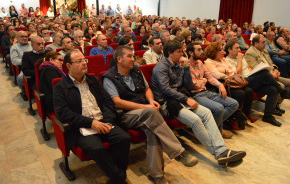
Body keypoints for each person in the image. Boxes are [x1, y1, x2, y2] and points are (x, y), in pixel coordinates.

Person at [103, 46, 199, 183]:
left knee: (153, 131)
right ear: (119, 59)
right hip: (125, 115)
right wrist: (146, 106)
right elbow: (117, 102)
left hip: (146, 112)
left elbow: (147, 89)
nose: (133, 59)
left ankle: (157, 175)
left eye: (133, 56)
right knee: (151, 112)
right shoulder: (109, 77)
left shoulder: (136, 70)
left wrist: (151, 100)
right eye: (129, 56)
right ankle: (179, 152)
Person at [151, 40, 246, 170]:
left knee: (206, 113)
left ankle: (222, 150)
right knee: (196, 120)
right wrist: (186, 98)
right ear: (170, 53)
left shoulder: (178, 66)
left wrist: (185, 69)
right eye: (179, 52)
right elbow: (165, 90)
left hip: (180, 98)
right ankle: (220, 153)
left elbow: (188, 86)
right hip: (167, 103)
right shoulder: (161, 67)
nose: (182, 55)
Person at [53, 49, 130, 184]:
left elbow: (107, 101)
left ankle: (116, 174)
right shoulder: (61, 87)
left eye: (84, 60)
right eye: (79, 61)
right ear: (69, 66)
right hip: (81, 128)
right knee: (97, 148)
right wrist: (91, 123)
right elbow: (64, 114)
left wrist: (106, 121)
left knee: (124, 138)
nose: (84, 63)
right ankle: (119, 178)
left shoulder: (92, 79)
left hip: (103, 121)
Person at [225, 41, 290, 126]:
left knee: (272, 89)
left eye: (239, 47)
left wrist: (255, 73)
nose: (239, 50)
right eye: (236, 48)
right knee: (265, 74)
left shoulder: (241, 57)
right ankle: (284, 92)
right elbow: (237, 74)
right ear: (229, 50)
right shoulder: (228, 60)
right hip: (242, 82)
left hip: (251, 79)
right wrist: (240, 60)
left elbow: (249, 67)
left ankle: (268, 116)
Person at [186, 42, 239, 136]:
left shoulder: (200, 63)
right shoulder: (186, 66)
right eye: (198, 50)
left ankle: (208, 127)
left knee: (233, 104)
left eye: (201, 49)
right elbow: (195, 85)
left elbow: (209, 77)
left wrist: (220, 85)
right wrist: (205, 80)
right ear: (190, 53)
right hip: (195, 95)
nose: (202, 51)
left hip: (206, 91)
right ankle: (217, 131)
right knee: (219, 108)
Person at [245, 35, 290, 115]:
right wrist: (272, 74)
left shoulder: (264, 51)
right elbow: (256, 68)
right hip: (263, 78)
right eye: (263, 42)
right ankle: (272, 108)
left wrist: (275, 69)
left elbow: (271, 63)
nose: (265, 44)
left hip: (271, 74)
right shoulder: (250, 53)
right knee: (281, 86)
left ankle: (276, 104)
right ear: (256, 43)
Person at [204, 42, 255, 123]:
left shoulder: (223, 60)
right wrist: (226, 72)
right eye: (220, 50)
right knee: (240, 93)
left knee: (249, 91)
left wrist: (224, 72)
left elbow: (234, 71)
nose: (223, 52)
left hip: (231, 81)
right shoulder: (208, 61)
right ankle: (233, 119)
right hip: (222, 84)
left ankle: (246, 113)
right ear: (214, 52)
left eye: (222, 50)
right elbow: (216, 75)